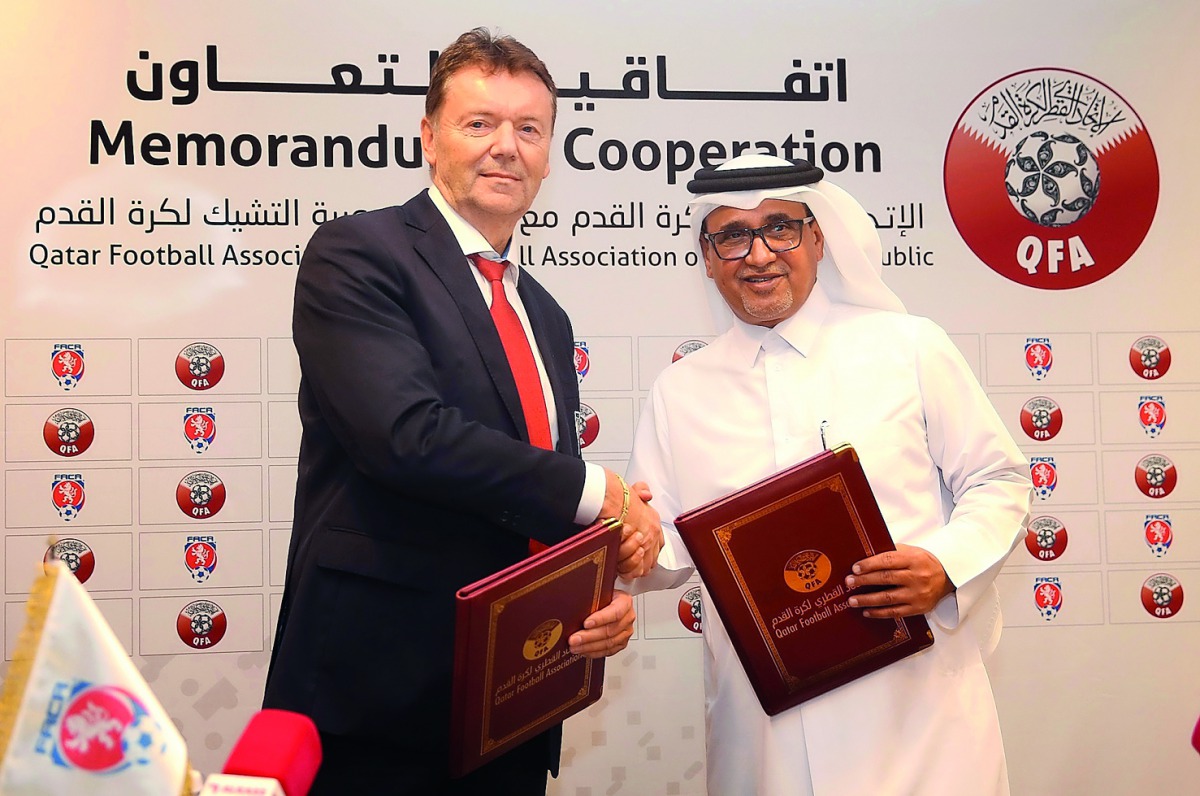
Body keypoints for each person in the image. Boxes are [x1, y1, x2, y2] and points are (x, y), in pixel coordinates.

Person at [263, 28, 662, 795]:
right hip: (376, 703)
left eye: (528, 129)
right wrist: (600, 495)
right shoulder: (359, 254)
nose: (505, 148)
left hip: (515, 699)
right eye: (479, 124)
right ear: (429, 137)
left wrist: (600, 582)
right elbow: (405, 438)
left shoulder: (543, 312)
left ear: (549, 153)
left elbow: (527, 495)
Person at [625, 154, 1033, 795]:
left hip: (915, 713)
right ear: (707, 257)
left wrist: (944, 564)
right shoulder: (680, 391)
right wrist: (633, 543)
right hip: (766, 732)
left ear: (818, 238)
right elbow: (668, 549)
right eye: (731, 235)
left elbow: (998, 479)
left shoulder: (908, 347)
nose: (758, 254)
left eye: (780, 227)